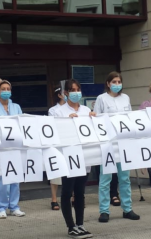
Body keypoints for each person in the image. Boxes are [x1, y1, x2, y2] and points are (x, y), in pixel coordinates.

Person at [93, 71, 140, 223]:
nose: (117, 84)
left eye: (119, 82)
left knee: (124, 178)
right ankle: (104, 211)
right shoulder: (101, 98)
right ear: (108, 83)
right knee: (105, 178)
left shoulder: (125, 97)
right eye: (114, 82)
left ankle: (127, 209)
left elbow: (130, 118)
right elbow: (97, 120)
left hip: (124, 142)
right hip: (108, 142)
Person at [58, 79, 96, 238]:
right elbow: (55, 132)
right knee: (67, 191)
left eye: (78, 89)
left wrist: (94, 119)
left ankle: (80, 223)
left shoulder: (86, 109)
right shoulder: (58, 111)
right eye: (72, 90)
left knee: (80, 192)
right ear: (65, 93)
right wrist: (67, 121)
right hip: (68, 157)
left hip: (84, 156)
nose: (76, 93)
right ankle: (70, 226)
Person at [0, 80, 26, 219]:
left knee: (15, 178)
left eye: (8, 88)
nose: (6, 91)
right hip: (1, 147)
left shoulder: (16, 106)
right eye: (3, 89)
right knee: (1, 180)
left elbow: (21, 123)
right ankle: (2, 207)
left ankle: (14, 207)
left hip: (15, 146)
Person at [47, 82, 66, 212]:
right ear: (59, 95)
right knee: (56, 172)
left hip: (71, 143)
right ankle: (54, 199)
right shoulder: (53, 110)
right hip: (58, 143)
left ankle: (73, 197)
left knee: (73, 172)